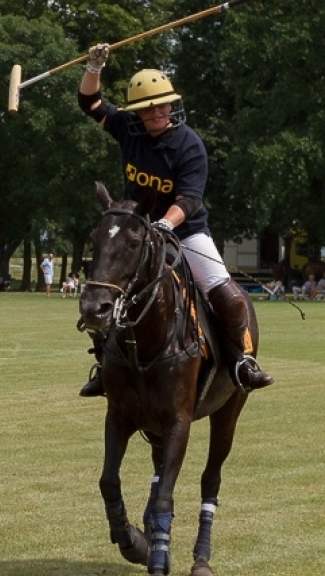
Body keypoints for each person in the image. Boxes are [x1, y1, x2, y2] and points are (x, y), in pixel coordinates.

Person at [77, 46, 272, 394]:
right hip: (135, 231)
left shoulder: (189, 144)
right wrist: (94, 66)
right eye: (151, 106)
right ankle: (105, 366)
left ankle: (241, 360)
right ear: (138, 110)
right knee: (103, 289)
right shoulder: (127, 127)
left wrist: (166, 222)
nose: (159, 111)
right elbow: (90, 103)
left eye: (164, 103)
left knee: (228, 295)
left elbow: (190, 198)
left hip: (185, 230)